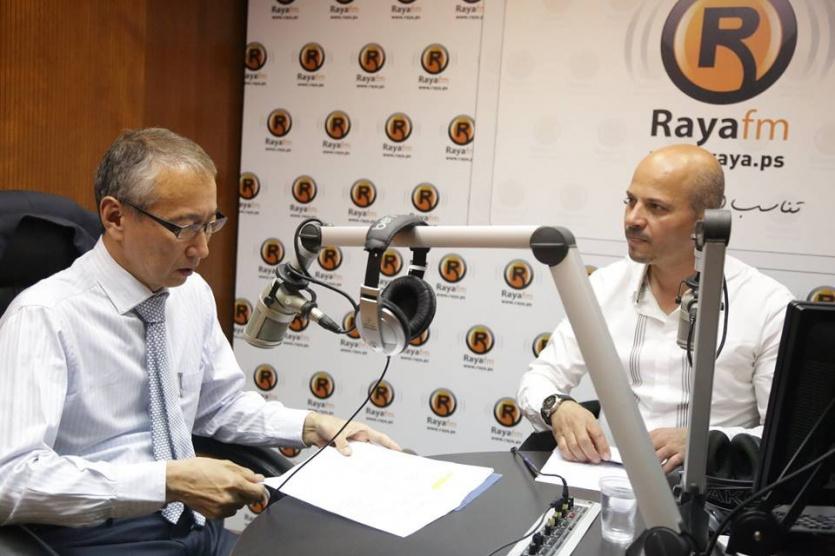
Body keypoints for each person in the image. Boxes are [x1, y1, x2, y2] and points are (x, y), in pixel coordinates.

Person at [0, 128, 399, 555]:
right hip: (99, 538)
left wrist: (310, 425)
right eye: (185, 227)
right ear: (115, 217)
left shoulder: (190, 294)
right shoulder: (43, 317)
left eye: (210, 225)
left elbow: (219, 405)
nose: (203, 249)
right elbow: (11, 480)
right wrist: (167, 482)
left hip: (196, 528)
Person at [517, 144, 794, 473]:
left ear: (706, 222)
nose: (633, 219)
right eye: (630, 201)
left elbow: (785, 438)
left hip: (713, 487)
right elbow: (540, 378)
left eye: (656, 207)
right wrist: (557, 407)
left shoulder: (767, 305)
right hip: (608, 480)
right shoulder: (604, 287)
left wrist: (707, 443)